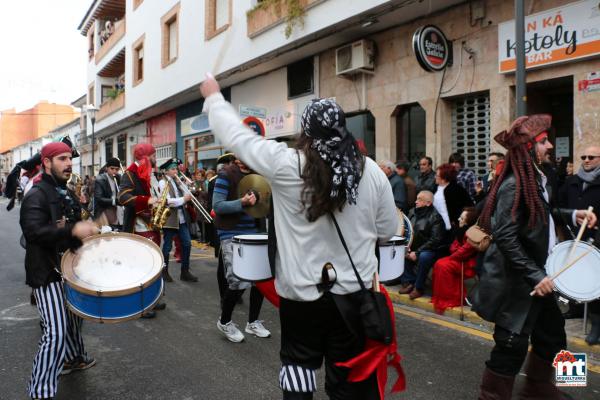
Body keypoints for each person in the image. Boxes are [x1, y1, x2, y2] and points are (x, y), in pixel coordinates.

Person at [201, 75, 398, 399]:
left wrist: (213, 98)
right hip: (353, 297)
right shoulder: (372, 170)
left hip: (302, 297)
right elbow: (388, 230)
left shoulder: (288, 164)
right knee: (347, 383)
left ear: (304, 132)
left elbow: (239, 139)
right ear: (343, 128)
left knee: (298, 368)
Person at [472, 114, 597, 399]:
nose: (550, 146)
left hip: (538, 277)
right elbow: (505, 236)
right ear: (528, 148)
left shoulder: (538, 179)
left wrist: (571, 214)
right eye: (543, 142)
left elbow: (541, 215)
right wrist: (536, 275)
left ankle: (540, 389)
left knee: (554, 336)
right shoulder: (514, 184)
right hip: (517, 284)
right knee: (510, 346)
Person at [20, 142, 99, 400]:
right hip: (46, 272)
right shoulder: (37, 194)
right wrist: (72, 230)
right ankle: (40, 392)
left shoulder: (65, 192)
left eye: (69, 159)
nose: (69, 163)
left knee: (75, 317)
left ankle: (74, 358)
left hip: (68, 268)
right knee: (54, 332)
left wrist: (89, 234)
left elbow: (71, 227)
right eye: (62, 158)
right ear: (46, 162)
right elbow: (33, 233)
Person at [212, 155, 270, 342]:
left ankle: (252, 322)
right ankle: (225, 321)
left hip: (255, 231)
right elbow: (218, 206)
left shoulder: (258, 174)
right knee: (237, 281)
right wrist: (242, 202)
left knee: (261, 280)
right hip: (231, 234)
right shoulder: (225, 175)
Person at [118, 143, 166, 319]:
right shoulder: (129, 174)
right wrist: (147, 201)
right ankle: (142, 305)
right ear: (147, 157)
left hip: (151, 226)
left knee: (153, 265)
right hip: (138, 228)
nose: (156, 159)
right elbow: (122, 197)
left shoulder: (150, 174)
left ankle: (152, 299)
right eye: (154, 155)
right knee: (141, 266)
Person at [558, 145, 600, 344]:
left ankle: (596, 324)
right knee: (575, 277)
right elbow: (559, 205)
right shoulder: (572, 181)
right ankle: (574, 309)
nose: (586, 159)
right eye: (583, 156)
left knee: (595, 282)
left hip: (596, 240)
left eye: (591, 156)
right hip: (573, 236)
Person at [398, 190, 446, 300]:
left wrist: (418, 252)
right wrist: (406, 245)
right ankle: (409, 282)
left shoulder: (436, 217)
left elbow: (435, 240)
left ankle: (418, 287)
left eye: (420, 199)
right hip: (414, 246)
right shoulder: (412, 212)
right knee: (401, 249)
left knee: (424, 257)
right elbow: (406, 229)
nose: (416, 202)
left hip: (430, 249)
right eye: (416, 198)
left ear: (428, 203)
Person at [431, 207, 478, 314]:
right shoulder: (461, 231)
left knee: (444, 266)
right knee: (439, 263)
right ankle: (441, 297)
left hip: (467, 265)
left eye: (462, 218)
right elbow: (453, 248)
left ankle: (451, 298)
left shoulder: (472, 235)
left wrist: (456, 251)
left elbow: (461, 252)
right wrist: (456, 251)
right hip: (459, 260)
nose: (458, 219)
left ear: (467, 222)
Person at [158, 158, 198, 282]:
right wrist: (183, 200)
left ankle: (185, 272)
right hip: (170, 219)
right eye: (173, 169)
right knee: (167, 247)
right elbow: (167, 201)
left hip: (182, 218)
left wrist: (188, 186)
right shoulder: (163, 183)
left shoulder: (177, 181)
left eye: (176, 168)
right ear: (166, 171)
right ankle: (164, 272)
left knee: (187, 244)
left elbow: (189, 192)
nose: (176, 171)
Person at [433, 163, 473, 236]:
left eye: (437, 175)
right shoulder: (438, 188)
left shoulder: (453, 190)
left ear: (444, 178)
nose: (435, 177)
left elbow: (453, 212)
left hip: (453, 229)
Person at [94, 157, 122, 230]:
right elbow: (99, 199)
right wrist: (114, 201)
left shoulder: (119, 177)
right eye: (112, 169)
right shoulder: (100, 179)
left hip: (118, 213)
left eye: (117, 169)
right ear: (107, 168)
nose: (114, 171)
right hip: (105, 213)